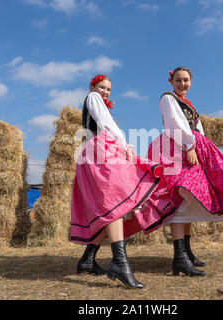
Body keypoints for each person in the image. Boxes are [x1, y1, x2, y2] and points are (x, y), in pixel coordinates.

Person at [71, 74, 176, 289]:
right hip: (99, 151)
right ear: (92, 86)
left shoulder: (97, 100)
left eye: (108, 89)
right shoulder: (92, 97)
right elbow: (105, 122)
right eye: (102, 87)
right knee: (116, 202)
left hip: (101, 149)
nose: (105, 91)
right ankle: (119, 262)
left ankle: (88, 260)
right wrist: (124, 144)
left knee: (114, 204)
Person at [148, 67, 223, 276]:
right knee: (179, 197)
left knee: (191, 199)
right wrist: (190, 146)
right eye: (178, 80)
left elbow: (199, 130)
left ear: (191, 82)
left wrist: (203, 149)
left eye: (186, 80)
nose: (182, 84)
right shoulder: (168, 98)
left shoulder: (191, 106)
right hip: (177, 149)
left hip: (193, 147)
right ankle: (179, 258)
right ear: (171, 82)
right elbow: (174, 124)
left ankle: (186, 251)